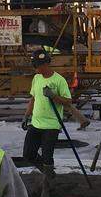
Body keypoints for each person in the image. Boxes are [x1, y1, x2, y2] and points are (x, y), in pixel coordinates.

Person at [20, 49, 73, 183]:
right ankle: (49, 173)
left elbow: (68, 101)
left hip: (52, 124)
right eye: (35, 65)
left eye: (38, 65)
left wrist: (54, 96)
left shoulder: (58, 80)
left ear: (46, 64)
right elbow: (33, 99)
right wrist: (26, 115)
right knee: (28, 153)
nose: (36, 68)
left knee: (47, 157)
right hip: (36, 123)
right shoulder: (36, 78)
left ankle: (47, 185)